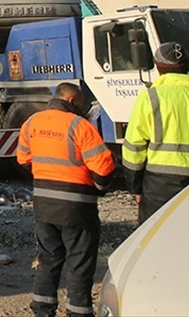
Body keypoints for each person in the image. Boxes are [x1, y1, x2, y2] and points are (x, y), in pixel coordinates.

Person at [17, 82, 115, 317]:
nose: (83, 106)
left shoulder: (31, 122)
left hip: (43, 206)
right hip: (77, 207)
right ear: (71, 101)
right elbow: (104, 168)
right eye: (81, 101)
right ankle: (79, 312)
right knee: (79, 264)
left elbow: (23, 159)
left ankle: (42, 310)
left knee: (48, 259)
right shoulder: (80, 126)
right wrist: (100, 188)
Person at [123, 41, 189, 224]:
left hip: (159, 186)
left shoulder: (150, 98)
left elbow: (134, 147)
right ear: (187, 67)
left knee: (156, 239)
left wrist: (135, 188)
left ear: (157, 66)